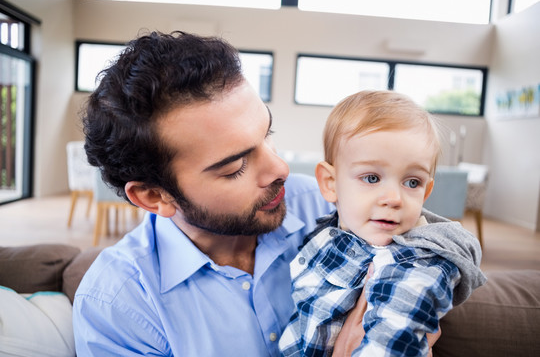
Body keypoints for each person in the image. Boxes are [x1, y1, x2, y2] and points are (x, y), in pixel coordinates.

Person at [74, 31, 452, 356]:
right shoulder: (118, 306)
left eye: (267, 135)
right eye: (234, 167)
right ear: (154, 197)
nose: (280, 169)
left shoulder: (330, 204)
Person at [279, 91, 486, 357]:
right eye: (372, 178)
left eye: (412, 182)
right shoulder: (324, 237)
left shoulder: (418, 264)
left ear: (426, 192)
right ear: (331, 184)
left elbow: (392, 341)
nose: (394, 199)